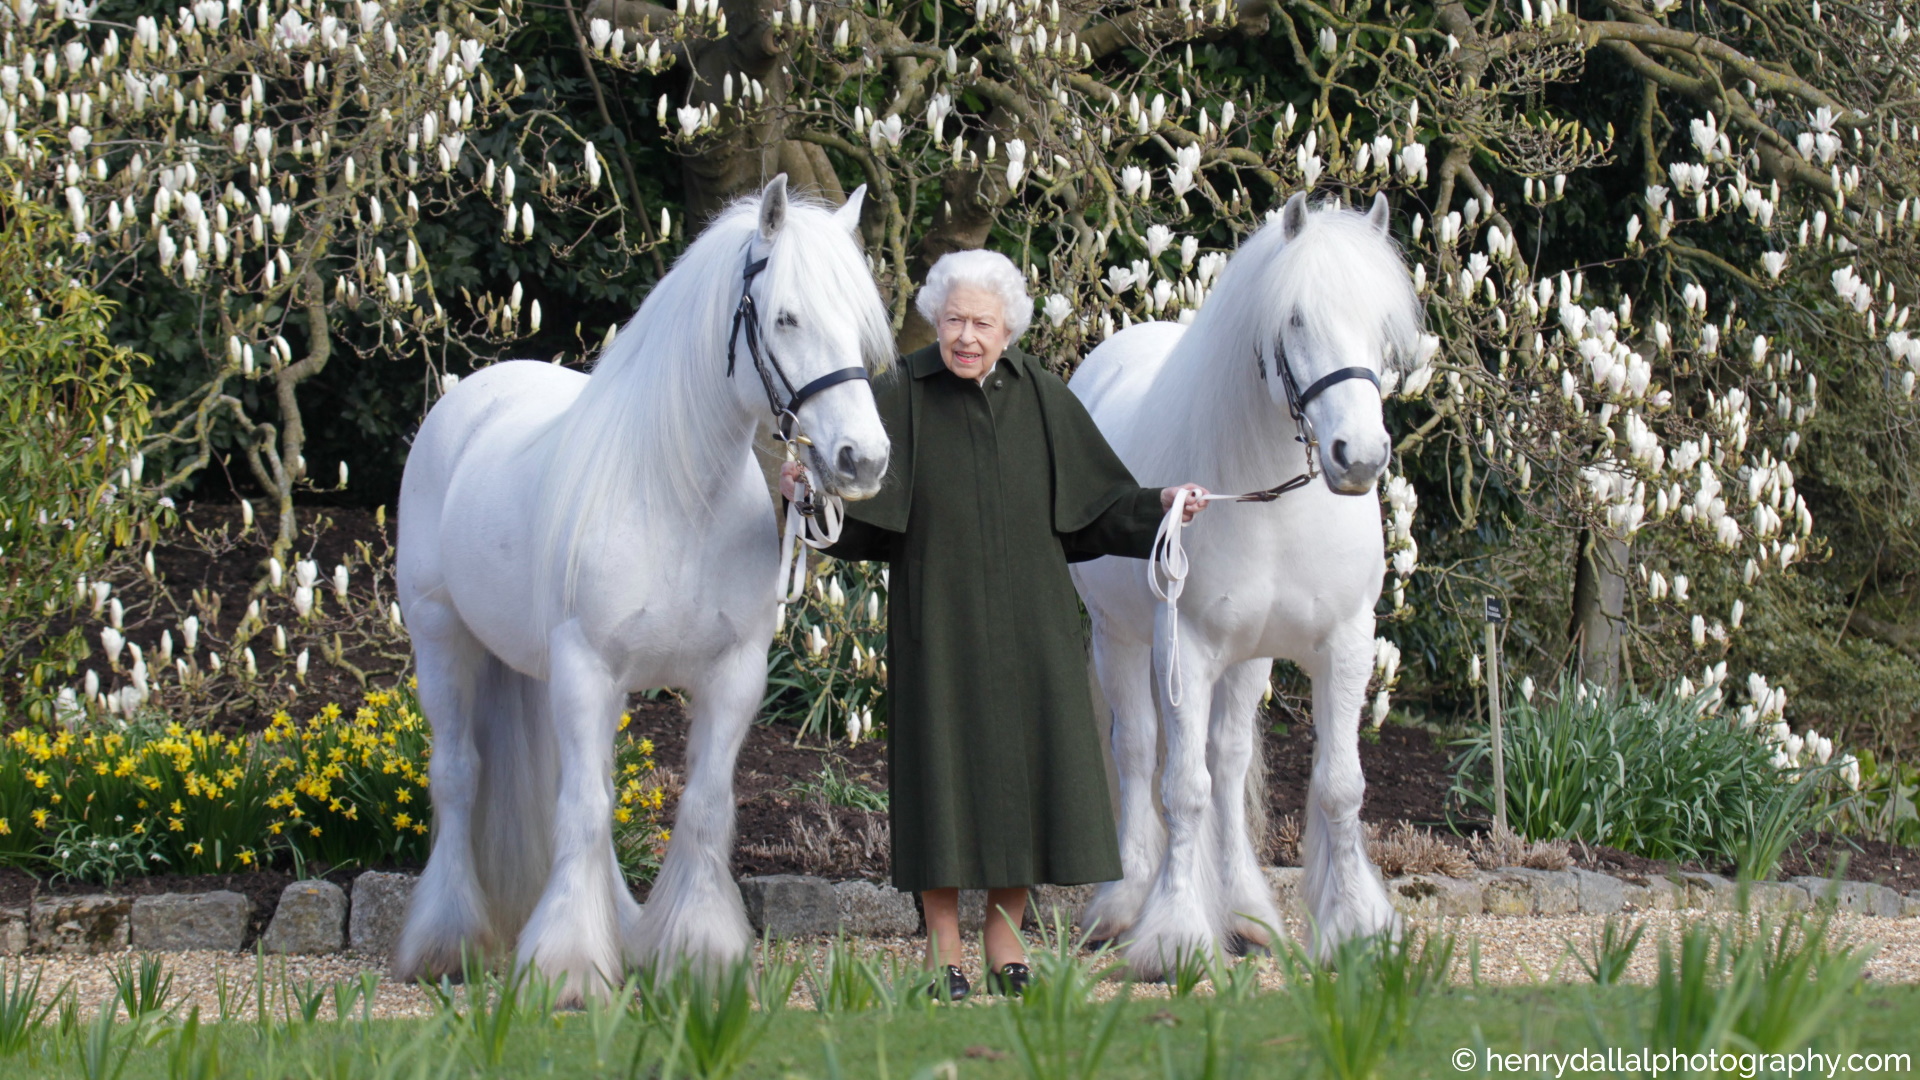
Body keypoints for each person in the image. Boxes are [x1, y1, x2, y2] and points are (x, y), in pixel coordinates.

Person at [780, 249, 1209, 1000]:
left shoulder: (1041, 395)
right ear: (935, 321)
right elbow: (860, 519)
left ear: (1008, 328)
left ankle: (1005, 938)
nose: (966, 337)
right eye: (954, 321)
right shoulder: (901, 392)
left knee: (1027, 781)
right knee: (940, 782)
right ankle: (943, 946)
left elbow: (1097, 508)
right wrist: (806, 497)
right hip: (936, 622)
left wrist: (1163, 504)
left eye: (982, 323)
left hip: (1032, 625)